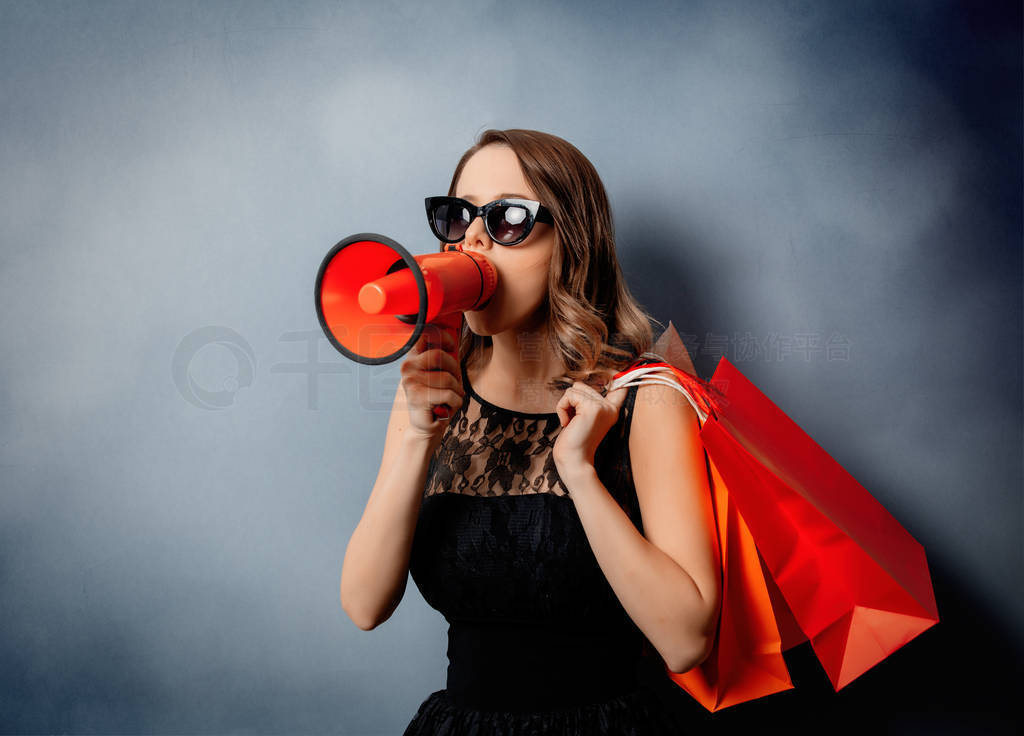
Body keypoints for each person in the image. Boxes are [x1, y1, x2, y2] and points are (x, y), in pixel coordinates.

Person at [340, 129, 722, 734]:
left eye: (508, 219)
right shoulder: (431, 386)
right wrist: (418, 438)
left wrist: (581, 473)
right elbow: (364, 605)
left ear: (573, 242)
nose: (472, 239)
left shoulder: (647, 395)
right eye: (457, 215)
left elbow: (685, 641)